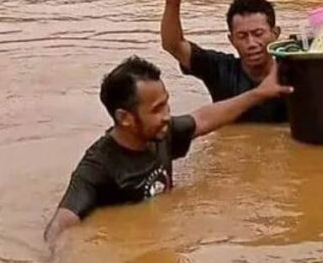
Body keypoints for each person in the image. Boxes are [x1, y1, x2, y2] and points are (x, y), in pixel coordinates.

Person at [44, 56, 292, 250]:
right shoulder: (98, 168)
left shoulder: (162, 134)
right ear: (125, 118)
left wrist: (259, 93)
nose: (166, 116)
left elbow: (205, 118)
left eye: (166, 103)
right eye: (157, 109)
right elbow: (61, 225)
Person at [160, 0, 287, 123]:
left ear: (275, 33)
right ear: (231, 40)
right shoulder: (220, 70)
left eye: (258, 34)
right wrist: (172, 3)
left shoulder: (295, 73)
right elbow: (173, 45)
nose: (251, 43)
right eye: (242, 36)